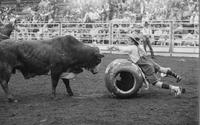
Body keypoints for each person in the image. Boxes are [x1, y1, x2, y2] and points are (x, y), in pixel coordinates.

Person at [114, 34, 185, 97]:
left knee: (155, 83)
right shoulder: (138, 46)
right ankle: (176, 76)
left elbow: (122, 49)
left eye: (129, 40)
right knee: (161, 69)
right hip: (147, 61)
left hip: (145, 65)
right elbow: (144, 53)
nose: (127, 41)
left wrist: (113, 47)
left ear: (133, 41)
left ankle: (175, 88)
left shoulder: (131, 47)